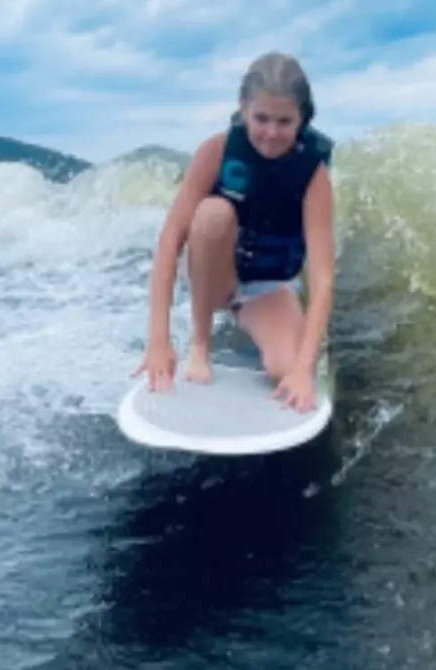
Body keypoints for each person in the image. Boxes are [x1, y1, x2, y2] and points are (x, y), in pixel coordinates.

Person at [131, 51, 335, 414]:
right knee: (212, 213)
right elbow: (169, 240)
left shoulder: (313, 173)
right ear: (243, 109)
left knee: (286, 370)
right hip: (214, 272)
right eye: (261, 118)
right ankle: (201, 343)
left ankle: (252, 318)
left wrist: (304, 369)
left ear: (302, 119)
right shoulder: (217, 150)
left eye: (285, 121)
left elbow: (322, 276)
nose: (271, 133)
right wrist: (159, 340)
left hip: (267, 286)